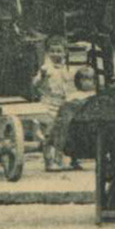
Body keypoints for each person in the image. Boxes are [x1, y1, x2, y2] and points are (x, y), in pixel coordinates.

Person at [33, 36, 85, 172]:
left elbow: (69, 85)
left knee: (64, 132)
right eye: (52, 51)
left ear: (65, 53)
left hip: (63, 103)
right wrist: (42, 77)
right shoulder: (46, 68)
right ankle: (48, 161)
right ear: (48, 53)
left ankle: (61, 159)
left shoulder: (66, 68)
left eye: (59, 51)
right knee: (49, 133)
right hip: (49, 103)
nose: (55, 54)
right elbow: (36, 84)